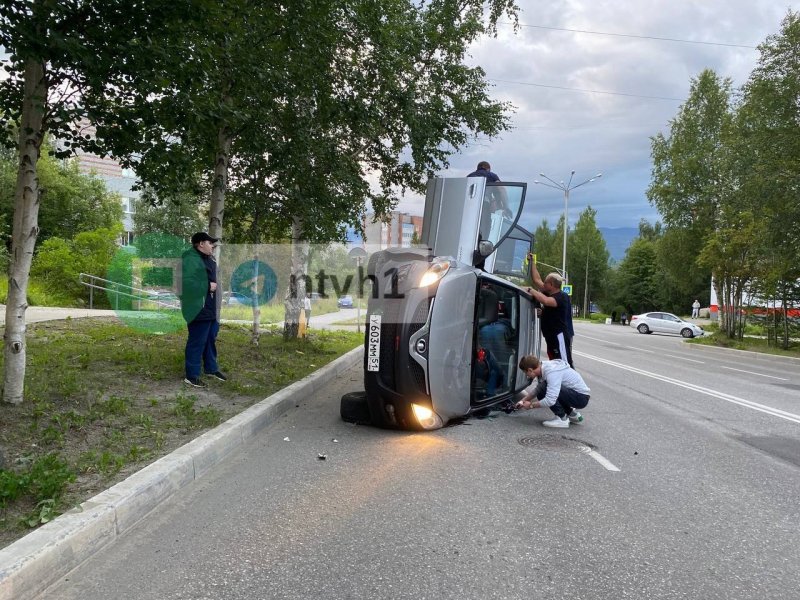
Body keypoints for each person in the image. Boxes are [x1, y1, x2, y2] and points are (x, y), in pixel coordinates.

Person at [179, 232, 226, 388]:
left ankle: (211, 369)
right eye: (209, 242)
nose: (212, 245)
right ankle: (191, 376)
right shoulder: (190, 260)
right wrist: (207, 287)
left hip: (210, 308)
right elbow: (185, 285)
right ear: (200, 244)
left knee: (210, 339)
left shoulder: (209, 260)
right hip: (197, 308)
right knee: (197, 341)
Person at [514, 355, 590, 428]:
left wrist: (530, 405)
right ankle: (572, 414)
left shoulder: (551, 373)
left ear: (530, 370)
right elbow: (538, 389)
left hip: (580, 398)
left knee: (545, 391)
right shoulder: (544, 366)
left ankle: (562, 419)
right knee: (542, 390)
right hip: (578, 395)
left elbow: (550, 400)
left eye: (525, 373)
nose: (526, 375)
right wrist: (522, 401)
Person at [527, 258, 574, 367]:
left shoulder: (562, 297)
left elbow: (547, 302)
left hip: (560, 336)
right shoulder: (550, 293)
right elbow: (536, 279)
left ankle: (571, 383)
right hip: (552, 336)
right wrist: (532, 262)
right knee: (555, 363)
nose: (543, 284)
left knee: (565, 364)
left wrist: (530, 290)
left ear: (551, 284)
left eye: (546, 282)